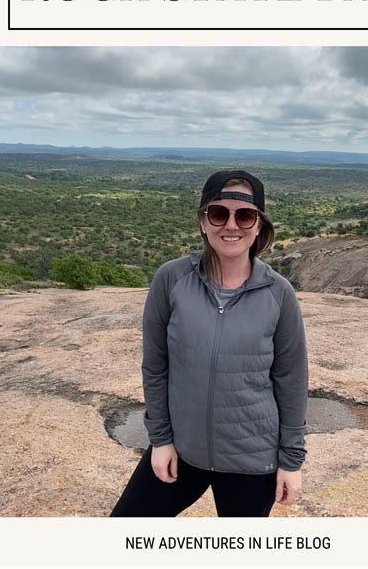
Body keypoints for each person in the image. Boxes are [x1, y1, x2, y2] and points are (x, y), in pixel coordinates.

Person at [111, 170, 308, 517]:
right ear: (203, 221)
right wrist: (161, 440)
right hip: (183, 451)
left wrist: (291, 461)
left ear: (259, 226)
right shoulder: (171, 279)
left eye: (244, 215)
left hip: (252, 460)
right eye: (219, 213)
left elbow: (291, 382)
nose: (231, 225)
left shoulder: (279, 294)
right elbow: (156, 367)